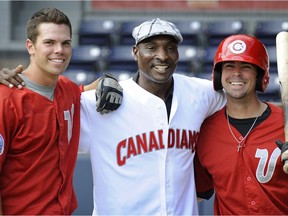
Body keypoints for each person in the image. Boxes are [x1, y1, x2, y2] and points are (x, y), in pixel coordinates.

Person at [79, 18, 226, 215]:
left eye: (170, 48)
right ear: (135, 52)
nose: (162, 56)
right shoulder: (98, 103)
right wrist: (24, 85)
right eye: (151, 47)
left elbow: (245, 108)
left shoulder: (202, 93)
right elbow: (45, 113)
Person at [0, 8, 122, 215]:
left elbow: (89, 90)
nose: (59, 50)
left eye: (66, 43)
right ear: (30, 46)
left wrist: (110, 81)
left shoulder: (68, 89)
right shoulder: (6, 100)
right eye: (49, 42)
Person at [194, 34, 288, 215]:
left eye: (246, 66)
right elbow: (198, 192)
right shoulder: (205, 131)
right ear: (219, 74)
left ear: (259, 75)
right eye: (229, 66)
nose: (237, 73)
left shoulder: (284, 123)